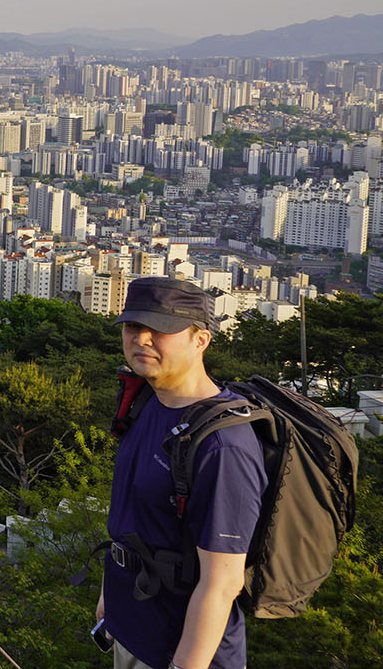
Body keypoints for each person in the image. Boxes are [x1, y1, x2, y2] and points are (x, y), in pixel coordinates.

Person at [97, 277, 267, 669]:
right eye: (133, 326)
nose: (142, 339)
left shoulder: (222, 446)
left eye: (160, 329)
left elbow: (222, 582)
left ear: (200, 340)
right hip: (132, 627)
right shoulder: (146, 401)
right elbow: (132, 518)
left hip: (183, 652)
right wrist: (110, 598)